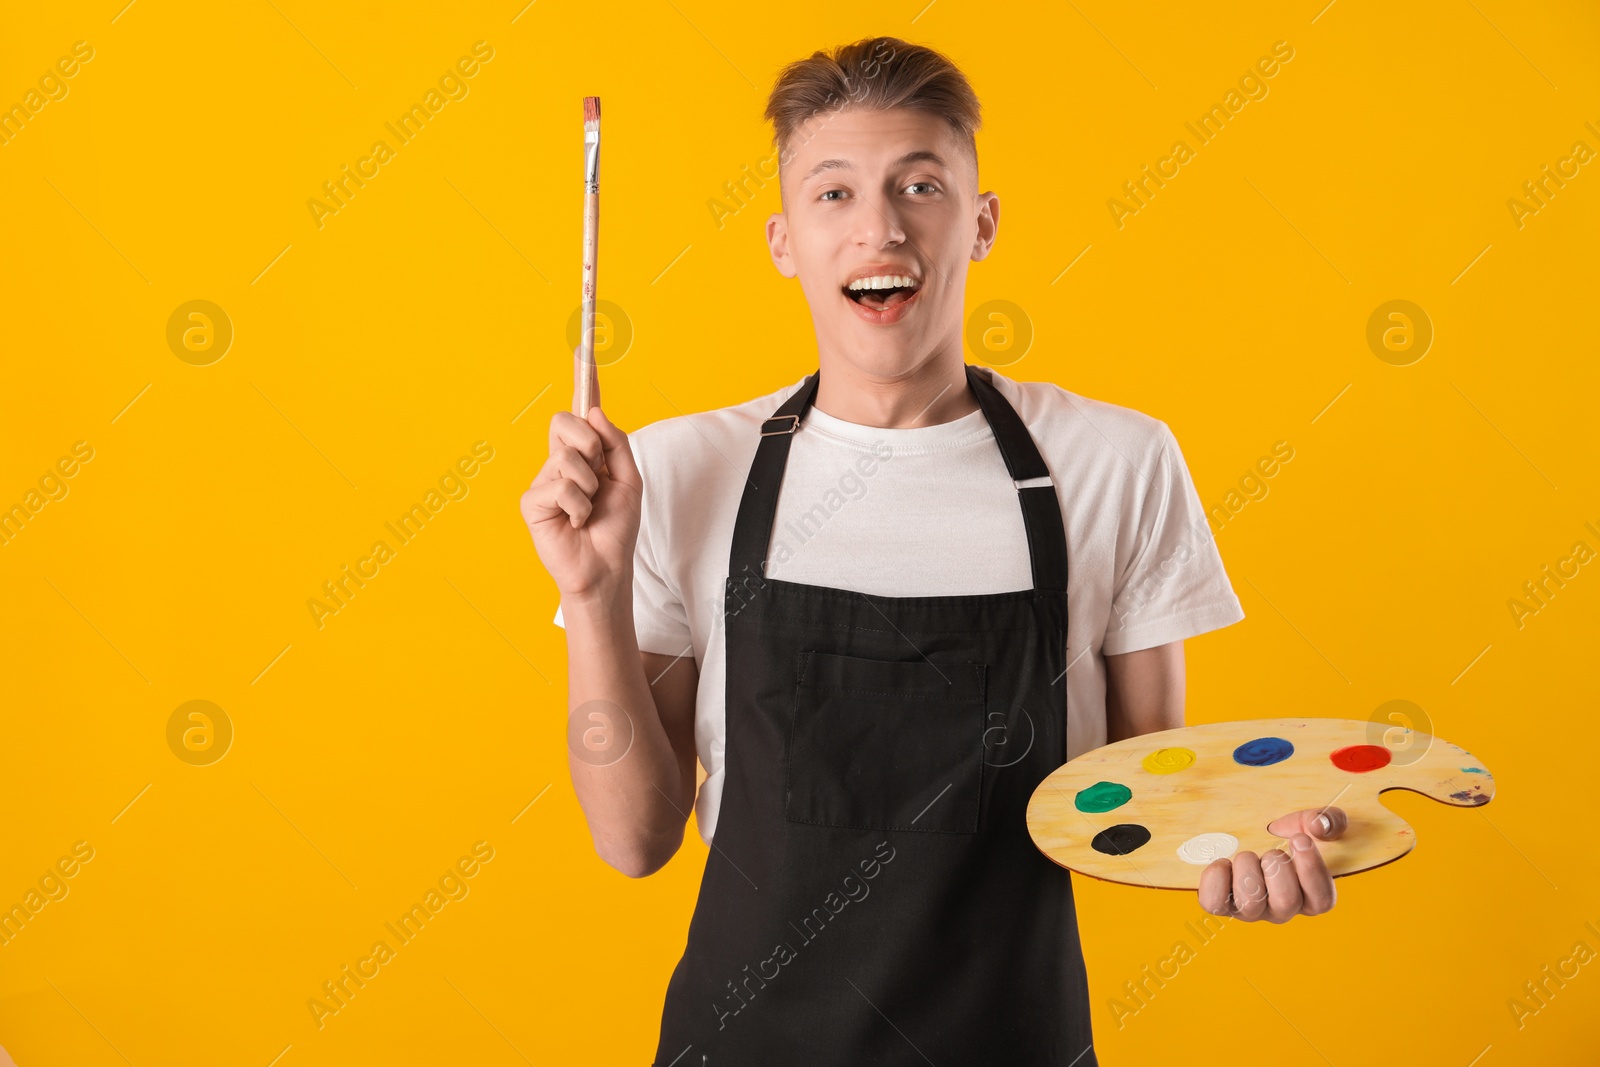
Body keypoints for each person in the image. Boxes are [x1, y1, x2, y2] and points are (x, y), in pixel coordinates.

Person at [523, 35, 1347, 1067]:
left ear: (981, 221)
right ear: (783, 240)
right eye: (834, 194)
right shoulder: (678, 471)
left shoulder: (1114, 462)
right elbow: (631, 839)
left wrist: (1255, 844)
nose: (879, 226)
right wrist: (591, 597)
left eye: (919, 184)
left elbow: (1147, 794)